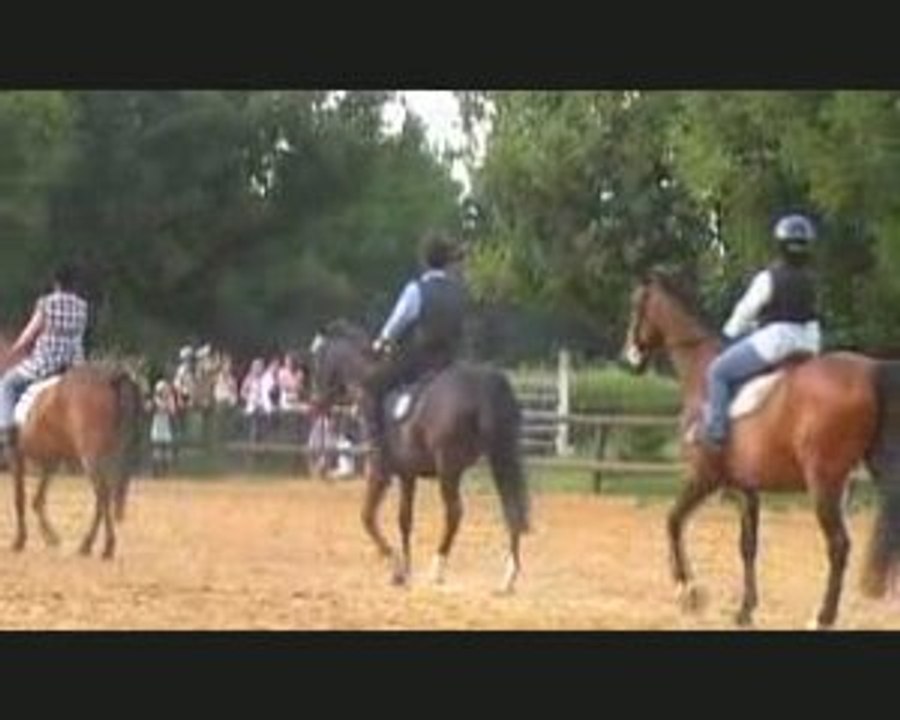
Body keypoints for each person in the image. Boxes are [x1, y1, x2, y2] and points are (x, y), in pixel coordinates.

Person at [700, 213, 821, 453]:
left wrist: (729, 334)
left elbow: (746, 311)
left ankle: (716, 432)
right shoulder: (811, 279)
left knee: (718, 372)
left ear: (780, 244)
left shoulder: (769, 277)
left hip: (775, 342)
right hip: (809, 343)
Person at [363, 231, 469, 482]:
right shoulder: (459, 291)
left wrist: (380, 343)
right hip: (452, 363)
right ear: (447, 261)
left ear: (425, 260)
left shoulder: (417, 289)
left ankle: (380, 455)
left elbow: (396, 323)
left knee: (373, 388)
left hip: (420, 361)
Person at [0, 262, 89, 453]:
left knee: (7, 383)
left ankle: (6, 431)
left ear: (56, 283)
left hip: (45, 363)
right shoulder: (82, 306)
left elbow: (30, 333)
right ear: (73, 284)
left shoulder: (46, 303)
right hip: (75, 365)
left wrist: (15, 349)